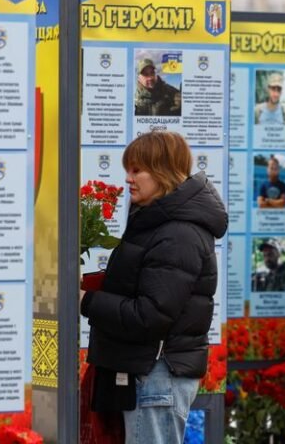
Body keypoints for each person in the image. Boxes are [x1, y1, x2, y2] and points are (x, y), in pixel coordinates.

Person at [80, 131, 227, 444]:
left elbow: (150, 315)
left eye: (137, 170)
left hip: (157, 375)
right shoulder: (160, 223)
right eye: (128, 170)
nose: (129, 179)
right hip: (149, 372)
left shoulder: (178, 233)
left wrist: (85, 300)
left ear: (163, 172)